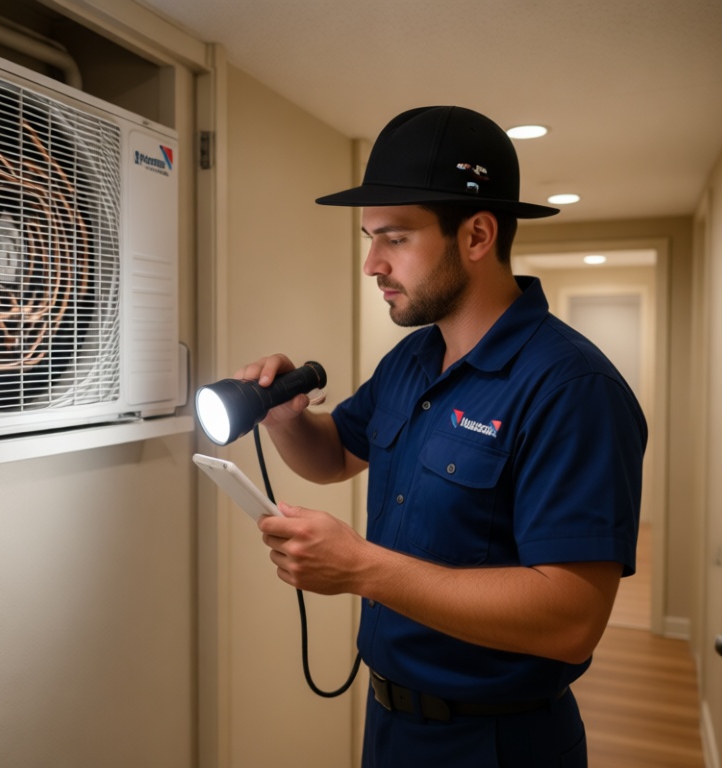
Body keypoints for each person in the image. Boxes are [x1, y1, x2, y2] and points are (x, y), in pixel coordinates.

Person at [238, 106, 647, 767]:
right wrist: (287, 420)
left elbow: (572, 620)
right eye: (370, 238)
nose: (372, 263)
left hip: (497, 741)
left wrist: (362, 569)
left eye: (395, 238)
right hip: (391, 724)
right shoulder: (411, 360)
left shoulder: (571, 387)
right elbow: (338, 453)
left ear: (477, 235)